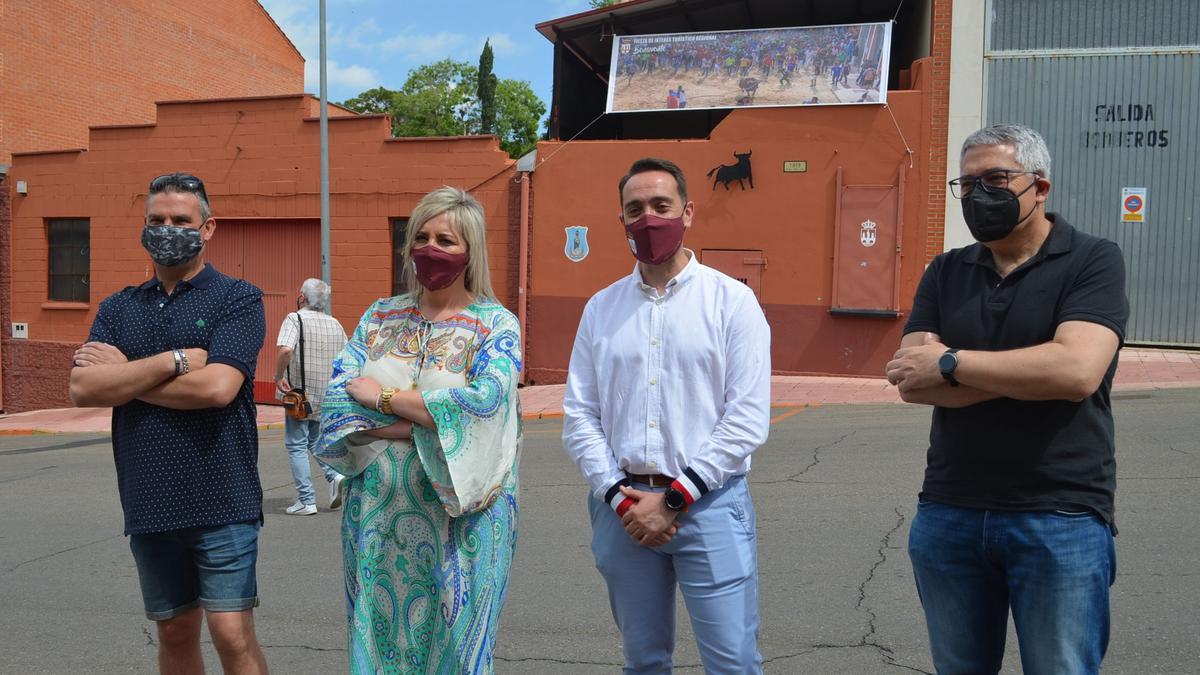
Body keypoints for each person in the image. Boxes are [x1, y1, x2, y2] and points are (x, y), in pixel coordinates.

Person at [886, 124, 1129, 674]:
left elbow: (1075, 371)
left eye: (995, 179)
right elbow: (912, 381)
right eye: (967, 185)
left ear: (1040, 187)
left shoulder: (1093, 261)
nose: (979, 196)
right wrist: (1027, 370)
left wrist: (953, 361)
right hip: (950, 512)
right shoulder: (946, 270)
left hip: (1060, 514)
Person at [563, 157, 771, 673]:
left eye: (662, 205)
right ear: (622, 221)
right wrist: (618, 497)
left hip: (710, 506)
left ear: (688, 211)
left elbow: (746, 418)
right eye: (635, 209)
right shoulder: (601, 309)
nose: (649, 219)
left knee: (733, 663)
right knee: (644, 660)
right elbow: (579, 416)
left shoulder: (733, 303)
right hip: (624, 512)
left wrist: (675, 498)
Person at [316, 186, 522, 673]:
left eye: (446, 240)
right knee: (378, 635)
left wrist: (382, 400)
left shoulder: (496, 326)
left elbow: (483, 410)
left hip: (463, 526)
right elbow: (337, 401)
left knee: (456, 647)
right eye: (422, 237)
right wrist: (423, 417)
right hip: (375, 524)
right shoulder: (379, 316)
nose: (431, 249)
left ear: (470, 252)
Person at [69, 172, 268, 674]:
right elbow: (83, 388)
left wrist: (126, 375)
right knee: (175, 634)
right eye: (156, 220)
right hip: (150, 499)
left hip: (224, 498)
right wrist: (174, 360)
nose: (168, 229)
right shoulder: (118, 307)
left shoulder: (238, 298)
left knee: (231, 635)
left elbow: (218, 389)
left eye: (181, 220)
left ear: (208, 228)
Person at [274, 278, 348, 515]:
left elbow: (286, 349)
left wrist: (277, 376)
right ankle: (334, 475)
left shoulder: (294, 318)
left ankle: (306, 500)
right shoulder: (335, 324)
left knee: (296, 444)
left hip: (299, 395)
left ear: (303, 297)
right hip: (326, 395)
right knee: (315, 441)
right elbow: (346, 358)